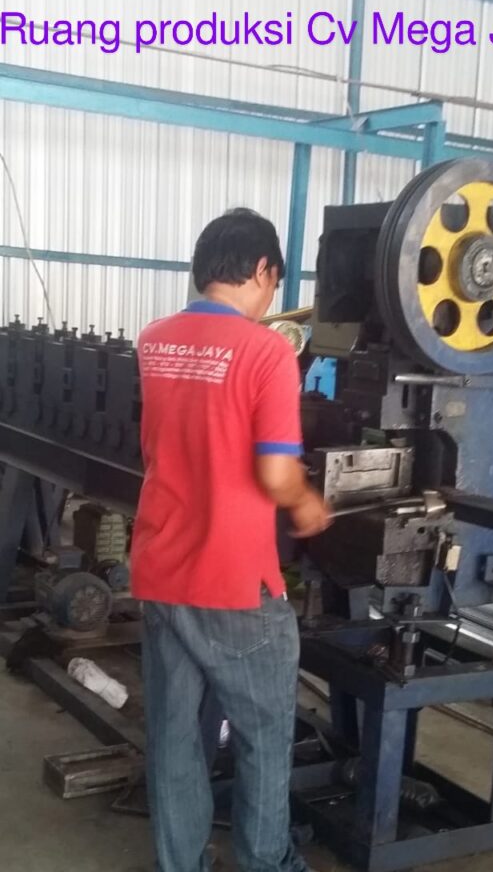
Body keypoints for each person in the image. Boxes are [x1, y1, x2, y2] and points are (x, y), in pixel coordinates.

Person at [131, 208, 332, 872]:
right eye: (274, 282)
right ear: (263, 270)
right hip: (235, 581)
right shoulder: (266, 350)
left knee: (175, 739)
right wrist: (307, 502)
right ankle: (266, 863)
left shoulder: (154, 339)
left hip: (161, 567)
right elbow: (275, 473)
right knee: (263, 737)